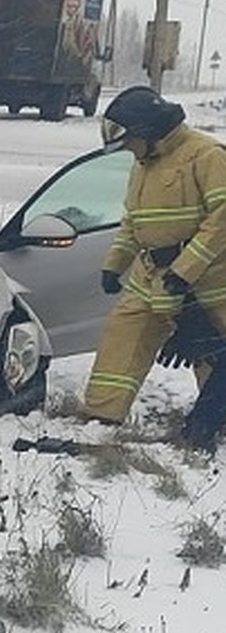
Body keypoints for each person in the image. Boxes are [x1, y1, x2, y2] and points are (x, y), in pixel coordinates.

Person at [85, 85, 226, 433]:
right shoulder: (144, 163)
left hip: (210, 279)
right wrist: (114, 264)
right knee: (123, 337)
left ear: (147, 132)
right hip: (150, 276)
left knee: (210, 347)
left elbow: (222, 217)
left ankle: (213, 423)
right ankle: (101, 416)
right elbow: (134, 221)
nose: (128, 151)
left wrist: (185, 270)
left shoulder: (206, 155)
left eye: (129, 142)